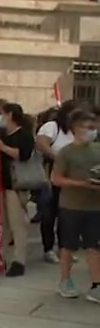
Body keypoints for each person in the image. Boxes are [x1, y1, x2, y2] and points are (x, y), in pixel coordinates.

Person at [50, 109, 100, 300]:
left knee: (94, 247)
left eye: (94, 126)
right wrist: (82, 184)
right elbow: (57, 179)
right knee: (68, 246)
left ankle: (96, 285)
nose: (93, 130)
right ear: (76, 129)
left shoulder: (97, 149)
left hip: (95, 207)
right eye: (88, 127)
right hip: (71, 206)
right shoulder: (66, 153)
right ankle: (65, 280)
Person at [0, 102, 37, 277]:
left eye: (2, 114)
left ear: (10, 115)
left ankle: (19, 261)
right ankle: (1, 257)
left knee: (18, 225)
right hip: (4, 184)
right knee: (4, 224)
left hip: (17, 186)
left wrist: (2, 147)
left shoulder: (23, 135)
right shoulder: (4, 134)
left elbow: (22, 155)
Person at [36, 99, 80, 264]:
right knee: (49, 215)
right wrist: (60, 158)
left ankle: (65, 248)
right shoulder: (52, 127)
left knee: (66, 216)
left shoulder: (75, 131)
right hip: (51, 177)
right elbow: (41, 143)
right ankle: (48, 248)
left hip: (70, 179)